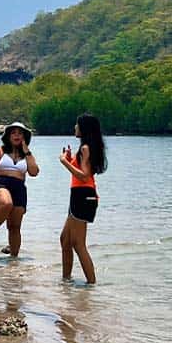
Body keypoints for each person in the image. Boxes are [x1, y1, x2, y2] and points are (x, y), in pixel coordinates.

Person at [58, 113, 107, 285]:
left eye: (77, 124)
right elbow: (84, 171)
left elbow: (85, 176)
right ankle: (66, 280)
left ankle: (91, 284)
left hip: (83, 196)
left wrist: (64, 162)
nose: (75, 127)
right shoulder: (86, 148)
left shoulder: (86, 148)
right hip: (81, 196)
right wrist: (71, 158)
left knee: (78, 244)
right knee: (65, 239)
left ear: (83, 128)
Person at [0, 122, 39, 256]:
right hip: (1, 183)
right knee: (6, 204)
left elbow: (34, 172)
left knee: (14, 227)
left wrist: (26, 151)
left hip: (19, 187)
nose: (17, 135)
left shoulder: (27, 154)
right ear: (8, 136)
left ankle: (13, 260)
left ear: (24, 137)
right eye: (13, 133)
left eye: (20, 133)